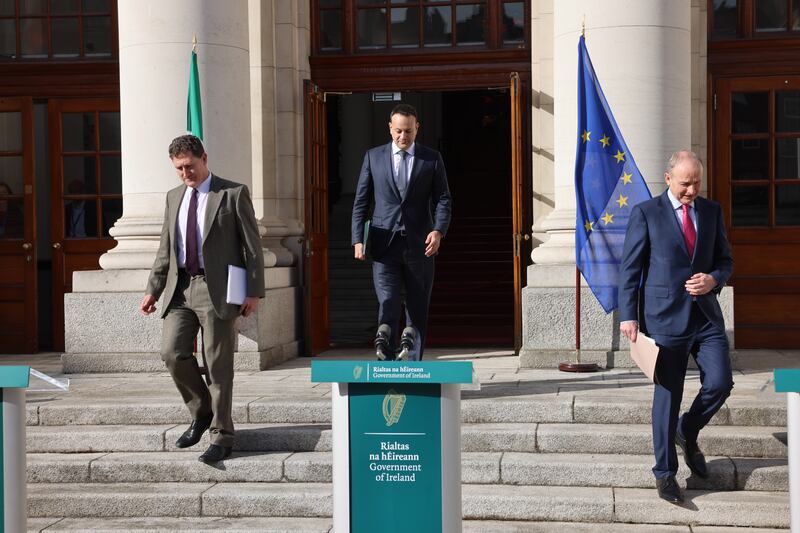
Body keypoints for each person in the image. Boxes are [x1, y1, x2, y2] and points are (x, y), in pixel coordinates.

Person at [140, 135, 265, 464]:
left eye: (190, 166)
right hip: (180, 289)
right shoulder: (173, 198)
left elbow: (252, 248)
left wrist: (253, 291)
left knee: (218, 365)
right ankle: (202, 411)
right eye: (179, 169)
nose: (185, 174)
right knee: (171, 352)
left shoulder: (232, 194)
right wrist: (153, 289)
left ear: (204, 158)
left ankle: (222, 436)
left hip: (218, 290)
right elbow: (166, 248)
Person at [619, 150, 734, 503]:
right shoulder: (646, 213)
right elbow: (630, 269)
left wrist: (714, 279)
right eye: (685, 183)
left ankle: (688, 429)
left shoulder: (712, 211)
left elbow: (725, 261)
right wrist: (628, 315)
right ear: (668, 178)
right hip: (664, 319)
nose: (691, 190)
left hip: (705, 317)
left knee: (720, 382)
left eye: (697, 182)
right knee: (667, 397)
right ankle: (665, 474)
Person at [351, 104, 452, 361]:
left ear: (417, 128)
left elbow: (443, 199)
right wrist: (357, 240)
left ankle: (412, 364)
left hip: (420, 247)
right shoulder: (373, 157)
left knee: (417, 308)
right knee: (388, 302)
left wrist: (438, 231)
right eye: (398, 131)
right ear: (390, 128)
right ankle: (384, 357)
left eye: (408, 131)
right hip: (384, 246)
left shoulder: (431, 159)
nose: (403, 137)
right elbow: (361, 201)